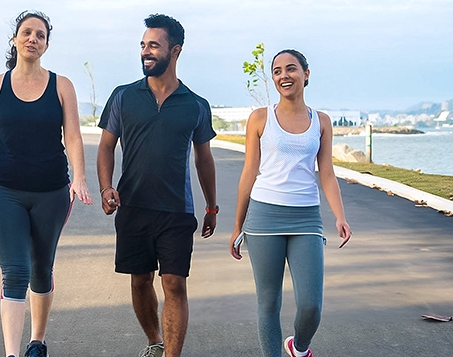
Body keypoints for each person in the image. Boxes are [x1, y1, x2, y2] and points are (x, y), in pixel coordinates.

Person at [0, 10, 92, 357]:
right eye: (27, 32)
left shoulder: (61, 85)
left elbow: (74, 136)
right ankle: (11, 353)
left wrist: (79, 176)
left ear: (46, 45)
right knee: (15, 272)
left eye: (40, 35)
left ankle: (37, 341)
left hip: (51, 192)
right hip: (6, 190)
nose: (33, 39)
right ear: (15, 39)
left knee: (40, 268)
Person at [97, 14, 218, 357]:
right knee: (139, 280)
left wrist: (211, 206)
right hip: (133, 206)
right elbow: (107, 146)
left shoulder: (196, 105)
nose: (146, 52)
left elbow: (204, 159)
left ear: (175, 51)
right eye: (143, 45)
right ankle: (154, 341)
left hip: (176, 211)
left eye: (154, 45)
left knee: (175, 283)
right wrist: (107, 187)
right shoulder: (123, 97)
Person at [229, 49, 352, 357]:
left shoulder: (321, 121)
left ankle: (299, 347)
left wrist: (340, 216)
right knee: (268, 302)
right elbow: (249, 173)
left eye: (291, 69)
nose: (284, 75)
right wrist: (236, 226)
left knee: (311, 305)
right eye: (277, 71)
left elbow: (326, 173)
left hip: (306, 218)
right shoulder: (260, 118)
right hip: (263, 216)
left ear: (306, 74)